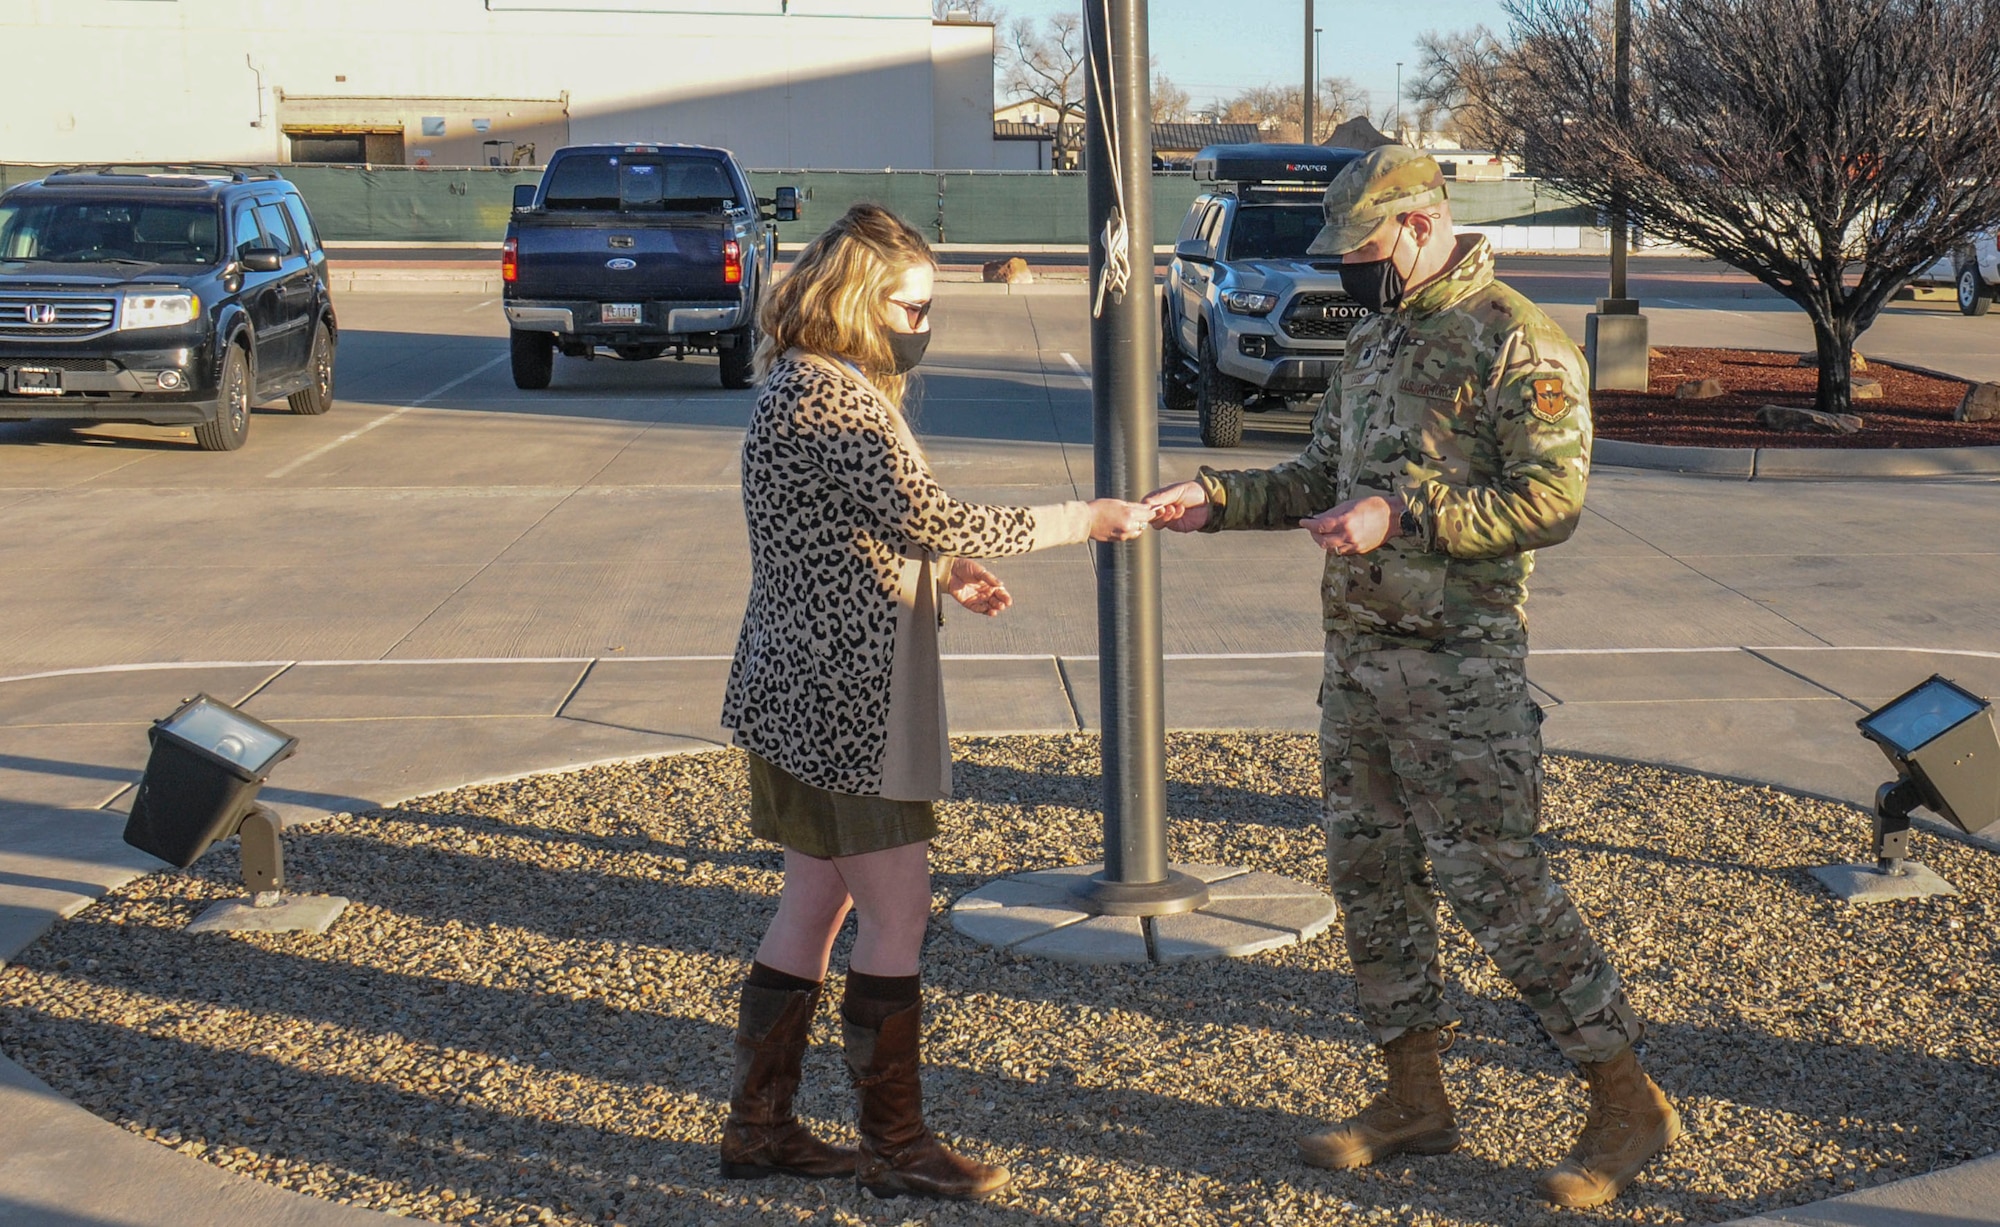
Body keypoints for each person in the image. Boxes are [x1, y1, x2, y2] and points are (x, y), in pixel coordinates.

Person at [1145, 147, 1678, 1210]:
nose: (1350, 269)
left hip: (1458, 678)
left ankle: (1626, 1103)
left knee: (1500, 888)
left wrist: (1409, 515)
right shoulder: (1380, 337)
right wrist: (1216, 498)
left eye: (1363, 248)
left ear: (1423, 224)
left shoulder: (1512, 341)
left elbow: (1551, 500)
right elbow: (1319, 476)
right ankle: (1413, 1098)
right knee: (1371, 882)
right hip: (1357, 670)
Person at [718, 203, 1153, 1201]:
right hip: (846, 706)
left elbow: (864, 526)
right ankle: (894, 1148)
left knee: (813, 903)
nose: (922, 320)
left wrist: (946, 571)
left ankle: (762, 1129)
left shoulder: (802, 384)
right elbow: (929, 511)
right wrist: (1081, 518)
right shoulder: (831, 400)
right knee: (899, 915)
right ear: (862, 299)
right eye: (911, 304)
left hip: (793, 689)